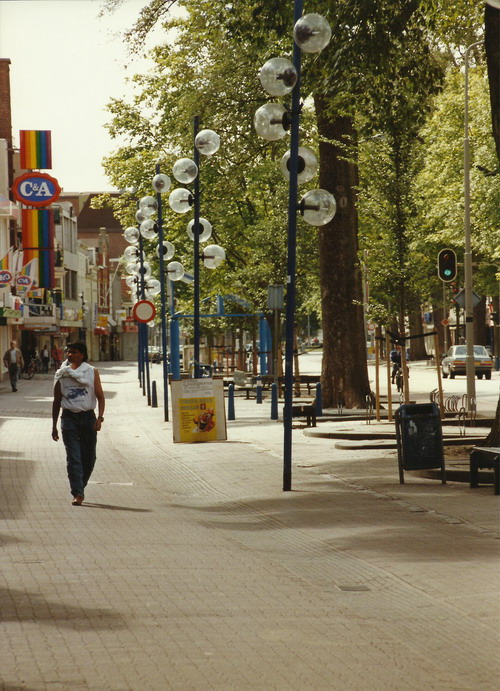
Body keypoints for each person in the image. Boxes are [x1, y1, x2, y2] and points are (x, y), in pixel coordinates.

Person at [51, 341, 105, 506]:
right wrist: (53, 426)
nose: (69, 355)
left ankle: (80, 485)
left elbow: (101, 397)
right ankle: (78, 493)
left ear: (82, 354)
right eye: (68, 352)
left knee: (89, 458)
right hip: (69, 419)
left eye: (73, 352)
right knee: (74, 457)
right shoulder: (61, 374)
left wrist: (100, 418)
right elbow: (56, 401)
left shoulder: (91, 372)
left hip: (88, 418)